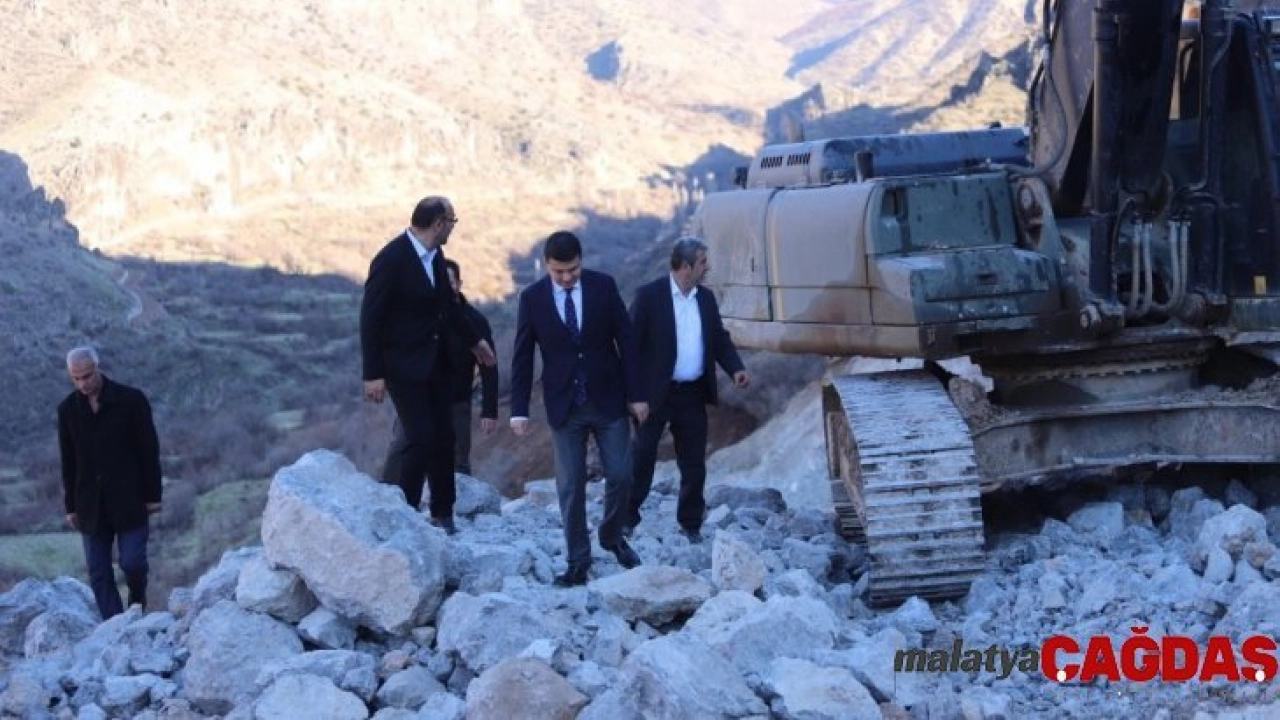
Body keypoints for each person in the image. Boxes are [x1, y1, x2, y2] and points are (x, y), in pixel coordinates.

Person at [510, 230, 648, 586]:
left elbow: (627, 342)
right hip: (564, 405)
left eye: (573, 269)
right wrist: (519, 409)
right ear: (547, 266)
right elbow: (523, 356)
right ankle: (578, 561)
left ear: (581, 261)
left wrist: (638, 394)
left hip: (608, 398)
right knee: (570, 486)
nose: (567, 277)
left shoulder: (604, 287)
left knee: (621, 475)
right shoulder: (532, 298)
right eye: (559, 272)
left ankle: (612, 536)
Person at [360, 196, 495, 534]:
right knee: (420, 437)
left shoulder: (435, 258)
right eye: (452, 221)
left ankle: (443, 512)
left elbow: (449, 307)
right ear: (438, 224)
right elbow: (371, 318)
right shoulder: (391, 259)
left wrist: (475, 341)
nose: (453, 228)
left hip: (436, 363)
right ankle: (405, 514)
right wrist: (373, 374)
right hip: (403, 366)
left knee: (444, 437)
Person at [628, 237, 749, 543]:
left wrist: (735, 368)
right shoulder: (649, 296)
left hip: (691, 394)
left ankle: (691, 523)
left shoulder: (705, 299)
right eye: (702, 262)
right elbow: (629, 349)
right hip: (653, 395)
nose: (707, 268)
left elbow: (718, 338)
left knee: (694, 463)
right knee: (641, 458)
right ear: (685, 267)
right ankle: (625, 519)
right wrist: (634, 396)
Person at [57, 346, 163, 619]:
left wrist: (153, 495)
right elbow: (68, 461)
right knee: (98, 571)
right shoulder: (67, 410)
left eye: (87, 376)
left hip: (129, 498)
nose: (82, 383)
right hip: (89, 503)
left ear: (98, 368)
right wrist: (71, 506)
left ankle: (136, 605)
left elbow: (148, 450)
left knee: (133, 563)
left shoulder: (131, 401)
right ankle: (115, 626)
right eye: (76, 378)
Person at [381, 259, 499, 481]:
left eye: (449, 282)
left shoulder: (475, 321)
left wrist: (489, 410)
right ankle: (385, 495)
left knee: (458, 464)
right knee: (400, 451)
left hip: (456, 401)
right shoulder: (416, 317)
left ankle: (461, 503)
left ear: (459, 284)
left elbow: (489, 367)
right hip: (417, 399)